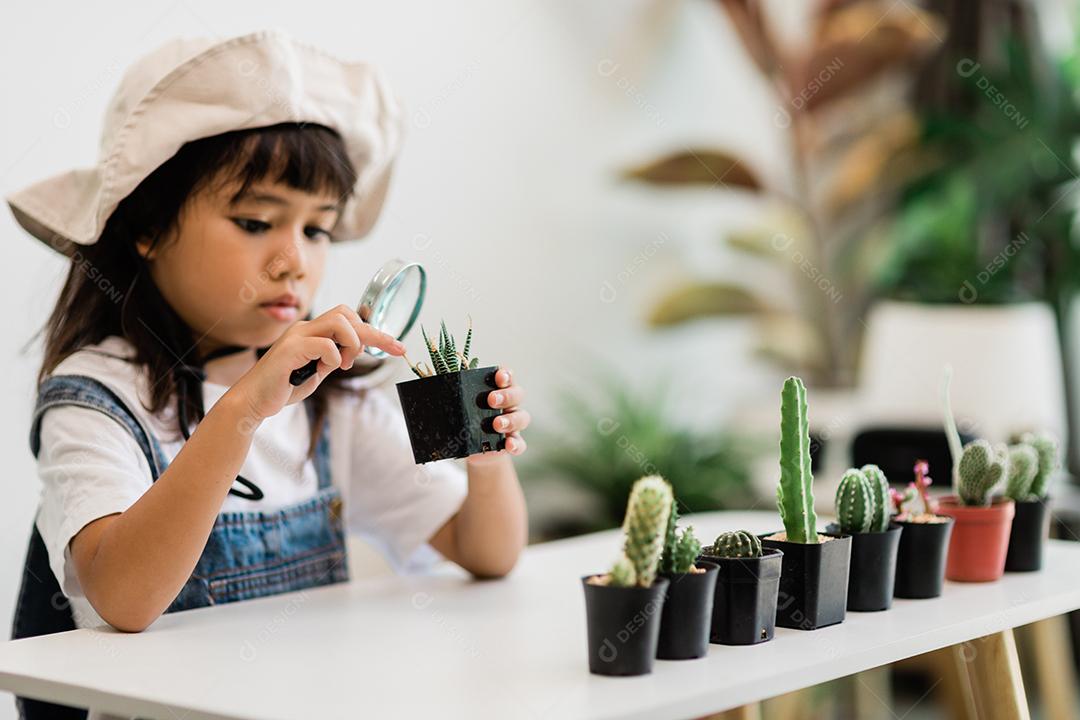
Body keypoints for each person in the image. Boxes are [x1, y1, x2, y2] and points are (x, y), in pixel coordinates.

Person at [7, 29, 529, 720]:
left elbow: (485, 553)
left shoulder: (329, 401)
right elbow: (124, 599)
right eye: (256, 221)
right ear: (148, 229)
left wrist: (485, 450)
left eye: (317, 230)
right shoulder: (99, 397)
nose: (294, 261)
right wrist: (244, 410)